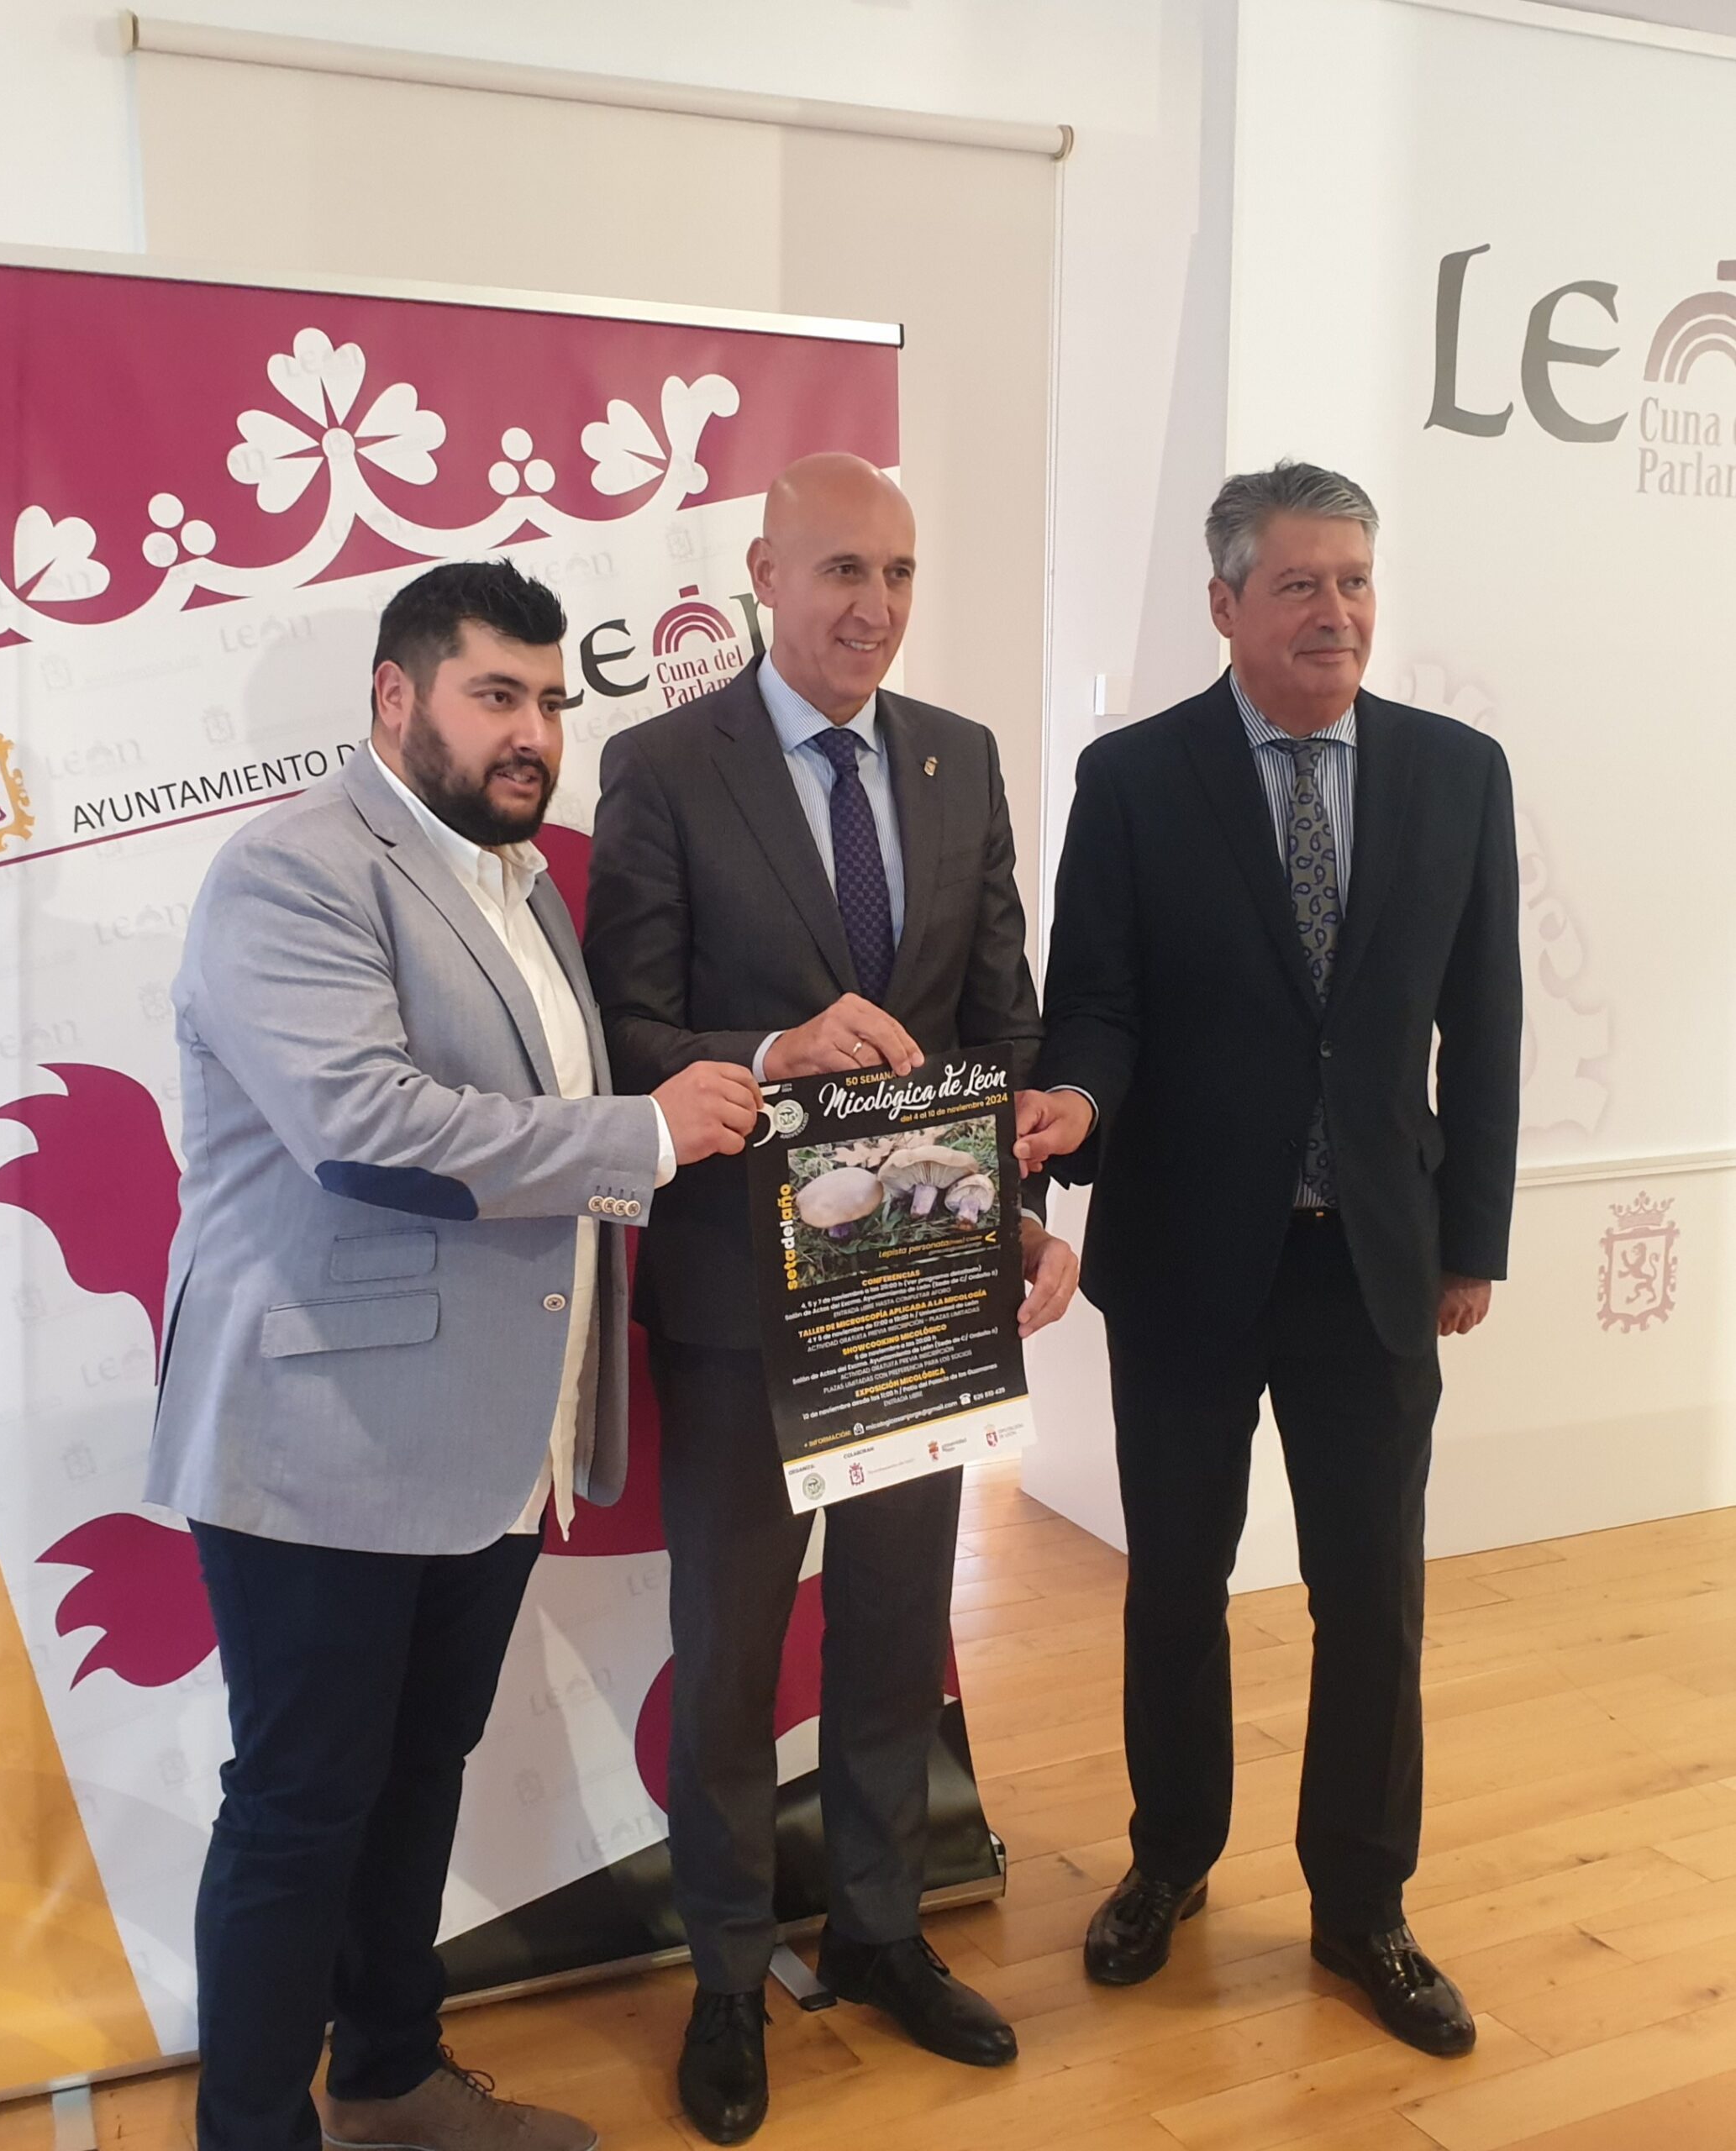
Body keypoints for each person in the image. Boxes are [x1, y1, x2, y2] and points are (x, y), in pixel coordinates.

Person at [146, 560, 762, 2151]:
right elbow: (364, 1132)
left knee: (421, 1772)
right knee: (300, 1808)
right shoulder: (291, 870)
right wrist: (642, 1135)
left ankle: (388, 2076)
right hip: (320, 1436)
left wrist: (736, 1075)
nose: (534, 733)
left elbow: (544, 1106)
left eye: (551, 700)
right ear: (393, 696)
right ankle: (252, 2132)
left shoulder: (522, 884)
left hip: (492, 1434)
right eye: (497, 695)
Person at [585, 455, 1079, 2143]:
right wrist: (769, 1049)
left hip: (920, 1287)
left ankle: (876, 1931)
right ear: (764, 572)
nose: (874, 605)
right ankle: (729, 1973)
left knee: (891, 1634)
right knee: (731, 1656)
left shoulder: (960, 757)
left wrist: (1020, 1209)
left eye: (900, 572)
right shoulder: (663, 765)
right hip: (739, 1298)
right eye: (842, 569)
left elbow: (1003, 1024)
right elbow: (620, 1029)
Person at [1020, 461, 1521, 2058]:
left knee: (1373, 1598)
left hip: (1373, 1260)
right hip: (1183, 1256)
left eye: (1355, 580)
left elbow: (1485, 1024)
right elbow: (1095, 997)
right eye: (1299, 584)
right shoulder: (1136, 777)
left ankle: (1364, 1901)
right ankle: (1170, 1858)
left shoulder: (1458, 773)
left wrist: (1473, 1239)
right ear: (1226, 603)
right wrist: (1076, 1103)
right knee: (1176, 1581)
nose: (1336, 612)